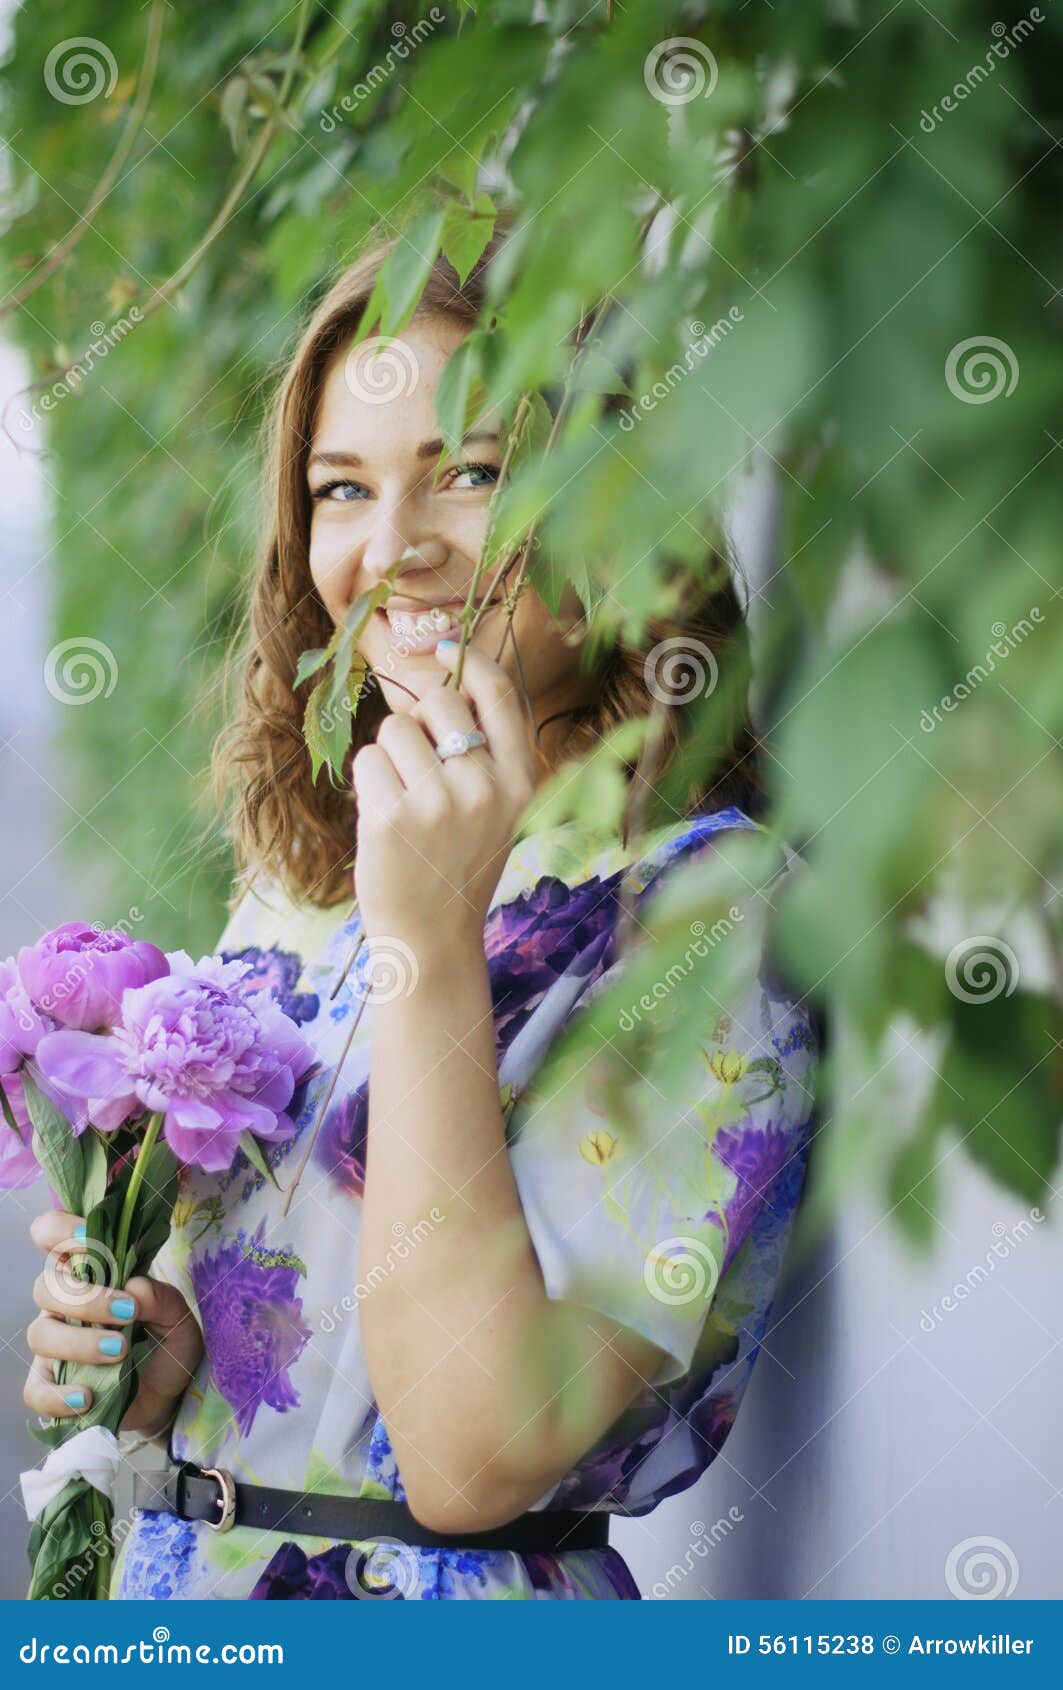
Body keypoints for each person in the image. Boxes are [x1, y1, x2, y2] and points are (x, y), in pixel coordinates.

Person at [24, 230, 819, 1600]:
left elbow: (470, 1454)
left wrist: (434, 945)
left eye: (473, 472)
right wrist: (173, 1367)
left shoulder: (703, 917)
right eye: (343, 489)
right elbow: (314, 1363)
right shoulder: (309, 888)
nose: (393, 549)